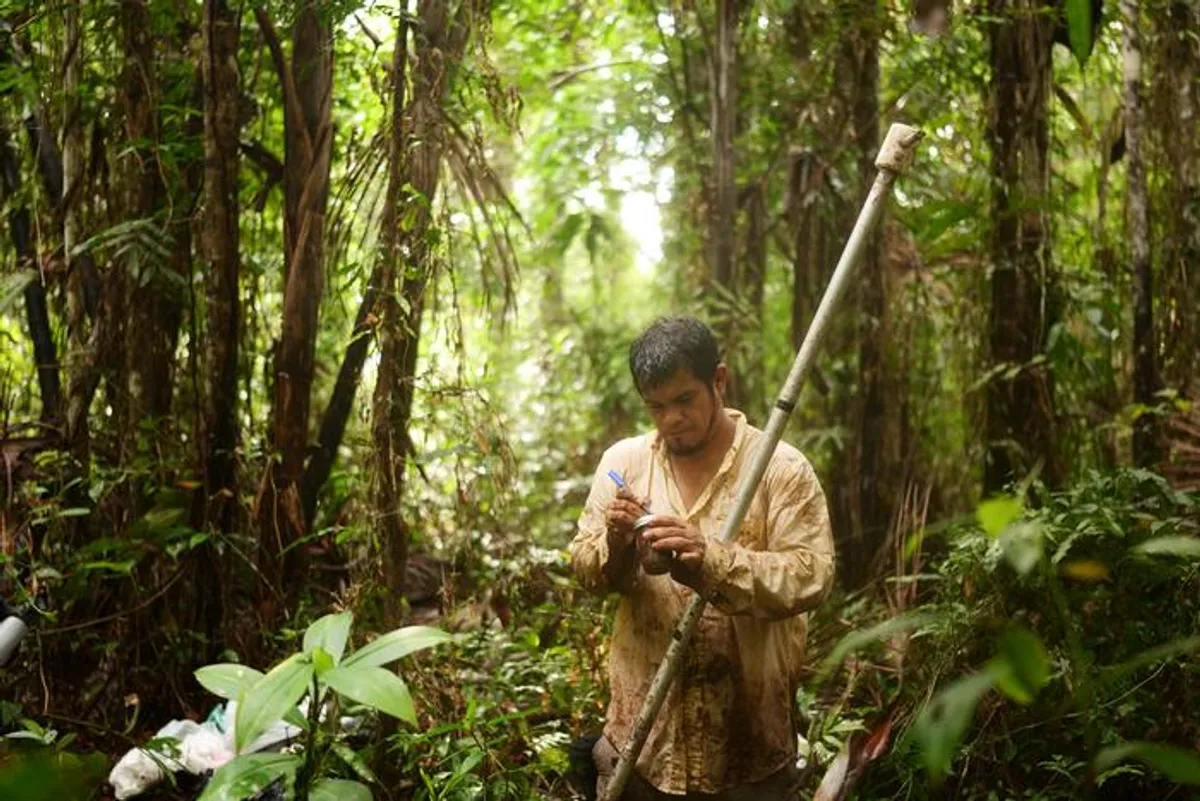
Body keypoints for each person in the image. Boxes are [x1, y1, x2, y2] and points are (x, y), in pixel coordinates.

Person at [569, 315, 836, 801]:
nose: (671, 418)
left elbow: (811, 575)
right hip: (643, 746)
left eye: (684, 400)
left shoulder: (779, 468)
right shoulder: (624, 465)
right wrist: (616, 541)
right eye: (656, 406)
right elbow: (585, 568)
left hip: (750, 748)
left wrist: (710, 562)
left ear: (718, 380)